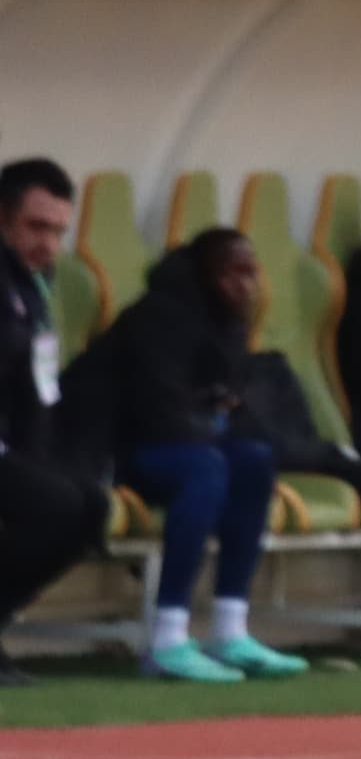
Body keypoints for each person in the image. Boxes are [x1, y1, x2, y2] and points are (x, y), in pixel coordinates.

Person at [58, 230, 301, 682]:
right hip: (114, 447)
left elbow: (226, 403)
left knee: (253, 458)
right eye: (231, 273)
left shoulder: (230, 323)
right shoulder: (159, 316)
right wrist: (211, 424)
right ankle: (167, 636)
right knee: (207, 467)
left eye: (251, 273)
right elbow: (157, 412)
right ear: (205, 274)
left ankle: (230, 627)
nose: (243, 285)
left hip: (177, 441)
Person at [0, 159, 93, 680]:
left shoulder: (35, 284)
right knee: (55, 504)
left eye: (59, 231)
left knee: (88, 503)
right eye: (37, 228)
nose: (50, 245)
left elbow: (36, 381)